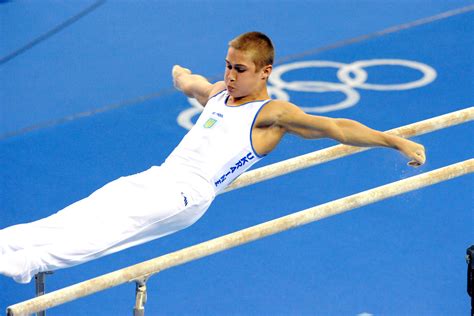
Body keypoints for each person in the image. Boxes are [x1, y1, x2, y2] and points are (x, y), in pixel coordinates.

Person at [0, 31, 425, 284]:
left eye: (240, 69)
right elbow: (193, 84)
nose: (230, 75)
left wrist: (397, 141)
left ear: (265, 73)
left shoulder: (271, 114)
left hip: (187, 196)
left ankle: (28, 264)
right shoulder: (219, 94)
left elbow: (338, 128)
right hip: (159, 177)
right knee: (91, 207)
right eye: (228, 65)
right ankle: (13, 239)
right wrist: (181, 74)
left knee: (113, 228)